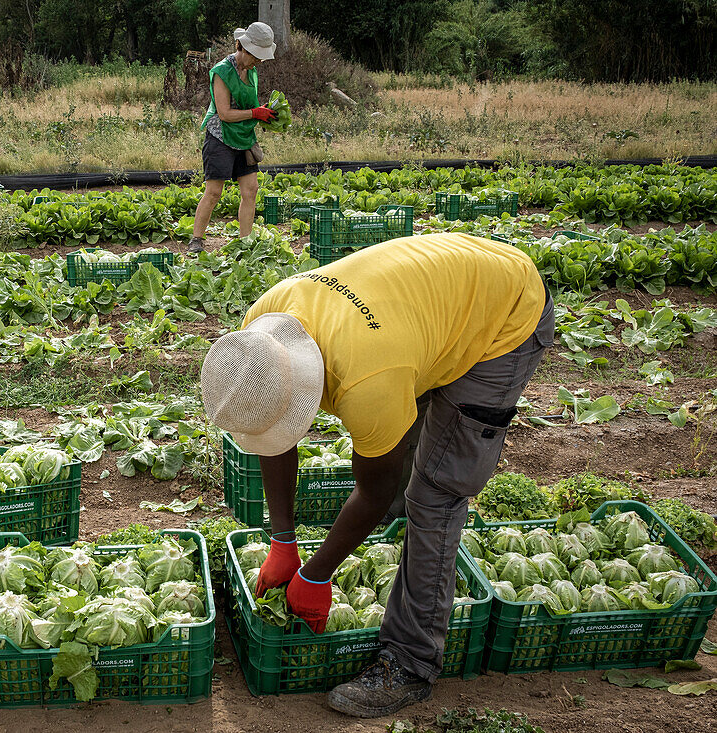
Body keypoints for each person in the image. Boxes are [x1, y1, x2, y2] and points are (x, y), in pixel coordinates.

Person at [200, 233, 554, 717]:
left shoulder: (368, 381)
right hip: (439, 292)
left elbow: (374, 488)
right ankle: (397, 548)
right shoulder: (261, 331)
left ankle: (410, 662)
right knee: (400, 447)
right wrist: (283, 542)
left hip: (504, 312)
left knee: (434, 493)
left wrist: (317, 575)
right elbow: (276, 437)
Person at [189, 21, 277, 254]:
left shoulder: (251, 70)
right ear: (243, 48)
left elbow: (249, 104)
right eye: (256, 56)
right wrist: (255, 113)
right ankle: (197, 239)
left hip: (244, 136)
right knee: (214, 191)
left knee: (251, 189)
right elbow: (225, 114)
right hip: (221, 136)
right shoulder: (223, 71)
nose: (259, 61)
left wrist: (263, 112)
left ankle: (245, 242)